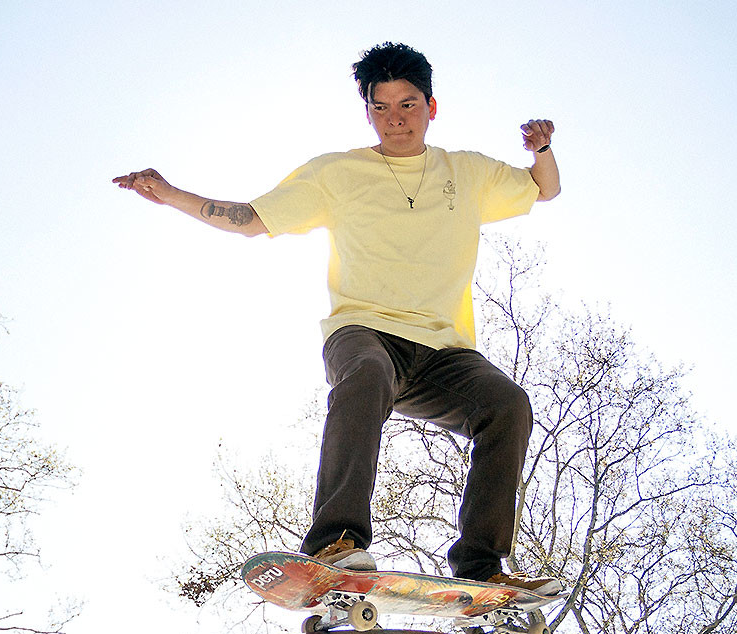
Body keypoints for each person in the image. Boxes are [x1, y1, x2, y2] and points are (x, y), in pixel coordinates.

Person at [114, 42, 563, 594]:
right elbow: (252, 219)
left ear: (431, 107)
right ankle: (336, 541)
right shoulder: (338, 173)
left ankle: (482, 566)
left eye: (408, 105)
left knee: (507, 404)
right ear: (367, 111)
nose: (395, 120)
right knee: (368, 375)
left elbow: (545, 188)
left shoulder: (465, 173)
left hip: (445, 355)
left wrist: (541, 149)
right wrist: (171, 194)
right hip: (365, 333)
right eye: (381, 108)